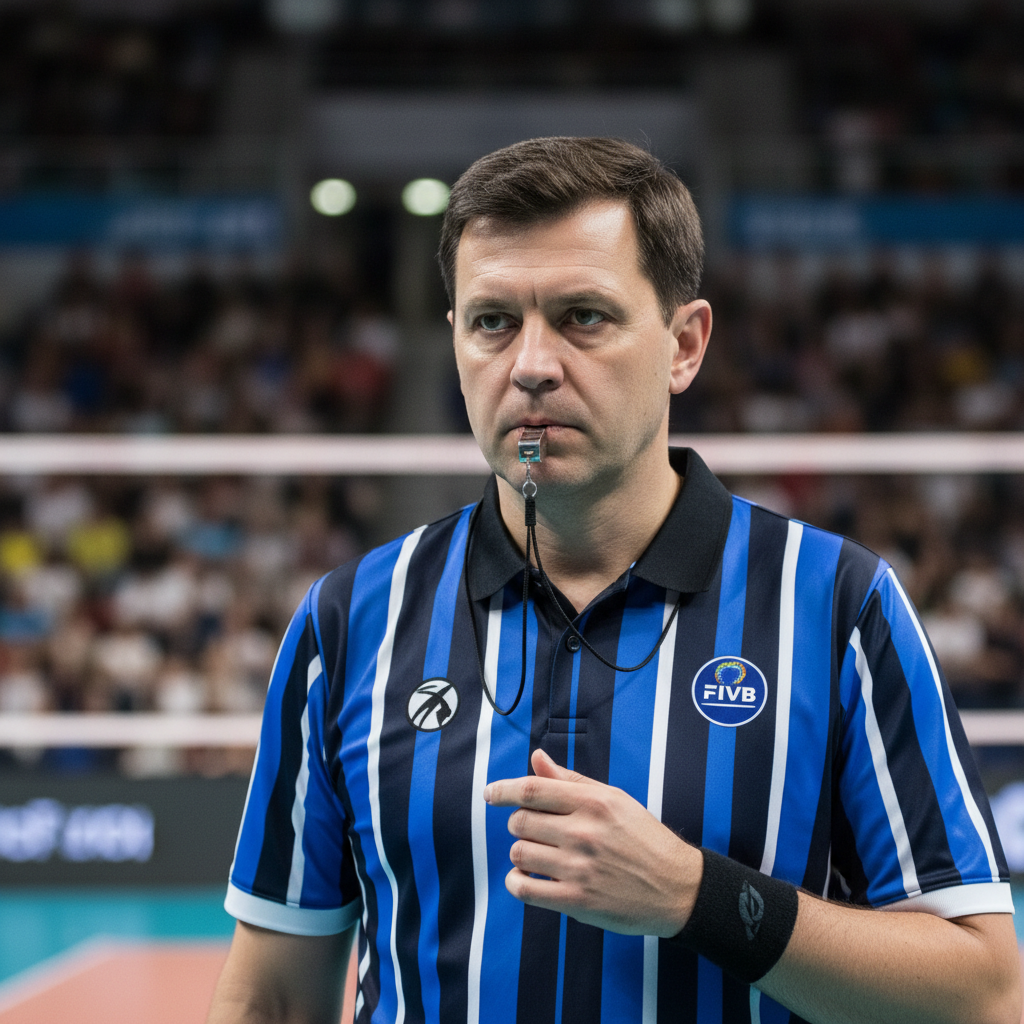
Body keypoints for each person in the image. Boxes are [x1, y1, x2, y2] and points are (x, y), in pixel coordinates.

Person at [206, 137, 1020, 1024]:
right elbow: (275, 998)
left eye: (584, 316)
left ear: (684, 344)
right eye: (492, 322)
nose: (531, 364)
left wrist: (694, 898)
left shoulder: (834, 604)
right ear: (454, 344)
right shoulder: (351, 619)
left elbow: (981, 993)